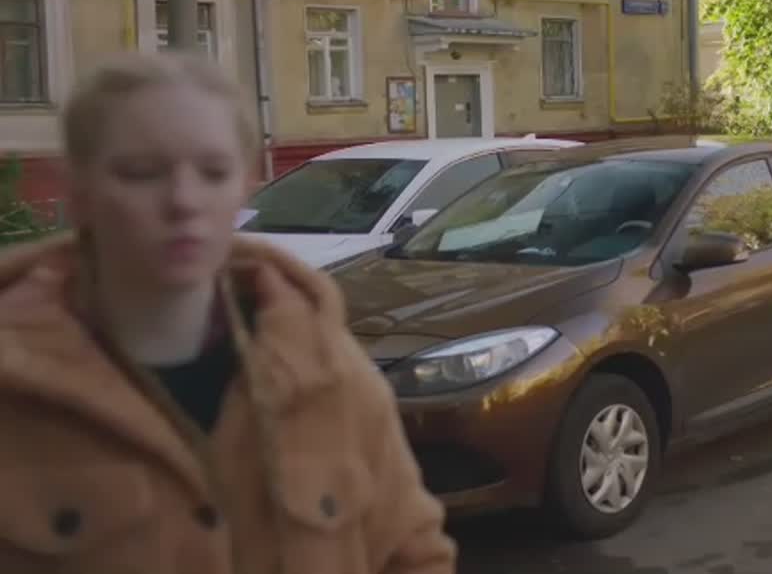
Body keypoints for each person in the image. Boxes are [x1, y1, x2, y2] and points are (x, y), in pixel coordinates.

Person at [0, 52, 456, 574]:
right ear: (78, 192)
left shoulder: (328, 371)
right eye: (142, 173)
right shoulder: (15, 388)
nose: (183, 200)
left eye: (213, 172)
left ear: (244, 185)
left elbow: (413, 552)